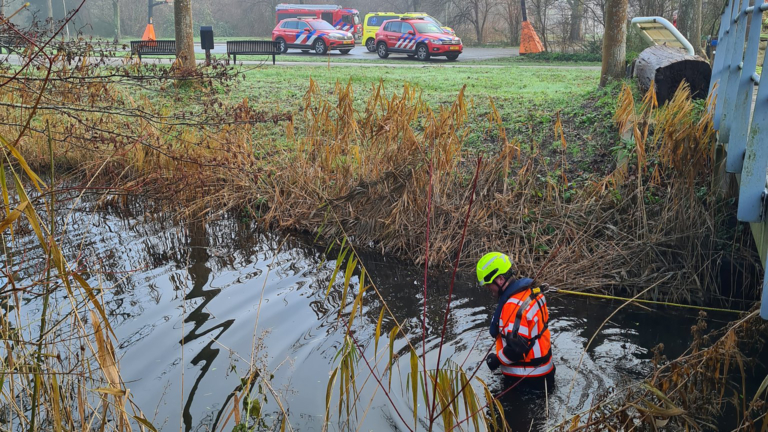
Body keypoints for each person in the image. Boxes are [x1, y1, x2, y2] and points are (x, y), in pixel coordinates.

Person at [476, 252, 554, 380]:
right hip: (545, 369)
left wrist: (495, 360)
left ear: (500, 279)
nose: (488, 288)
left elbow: (516, 349)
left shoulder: (511, 306)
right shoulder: (532, 292)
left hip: (526, 378)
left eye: (488, 284)